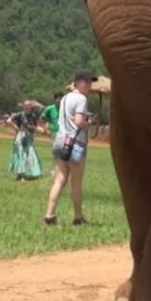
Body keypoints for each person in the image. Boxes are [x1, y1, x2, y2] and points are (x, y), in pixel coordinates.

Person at [43, 71, 96, 225]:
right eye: (86, 81)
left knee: (59, 179)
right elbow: (79, 121)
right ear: (77, 82)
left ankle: (49, 214)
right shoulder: (81, 99)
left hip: (60, 139)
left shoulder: (65, 98)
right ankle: (78, 217)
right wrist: (88, 124)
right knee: (76, 182)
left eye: (90, 82)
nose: (89, 85)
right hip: (75, 143)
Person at [8, 100, 43, 181]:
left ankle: (20, 174)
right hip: (21, 137)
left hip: (29, 138)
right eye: (26, 105)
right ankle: (22, 175)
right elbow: (9, 120)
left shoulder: (33, 116)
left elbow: (36, 127)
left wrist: (34, 128)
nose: (28, 107)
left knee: (28, 155)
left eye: (29, 105)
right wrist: (16, 128)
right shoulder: (20, 115)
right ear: (23, 106)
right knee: (22, 155)